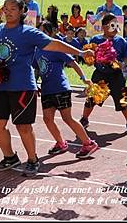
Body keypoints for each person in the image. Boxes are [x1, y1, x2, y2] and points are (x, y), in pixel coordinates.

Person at [0, 0, 94, 177]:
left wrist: (80, 52)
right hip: (0, 87)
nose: (8, 12)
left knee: (23, 127)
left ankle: (33, 159)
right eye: (6, 8)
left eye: (13, 9)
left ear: (22, 12)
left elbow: (55, 44)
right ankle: (9, 157)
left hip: (23, 87)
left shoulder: (28, 32)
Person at [33, 21, 99, 158]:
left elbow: (72, 63)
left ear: (50, 33)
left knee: (67, 118)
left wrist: (83, 78)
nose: (40, 34)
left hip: (60, 88)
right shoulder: (36, 51)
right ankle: (61, 143)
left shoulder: (56, 47)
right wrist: (34, 83)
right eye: (38, 31)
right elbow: (36, 69)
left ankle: (88, 143)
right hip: (46, 89)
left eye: (43, 31)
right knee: (47, 118)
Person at [80, 14, 127, 134]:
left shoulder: (121, 41)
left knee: (123, 100)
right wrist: (90, 59)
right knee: (92, 98)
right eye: (112, 25)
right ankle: (84, 119)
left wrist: (122, 64)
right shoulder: (95, 40)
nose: (115, 28)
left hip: (116, 75)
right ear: (104, 27)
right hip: (100, 74)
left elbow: (126, 57)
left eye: (116, 25)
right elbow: (89, 57)